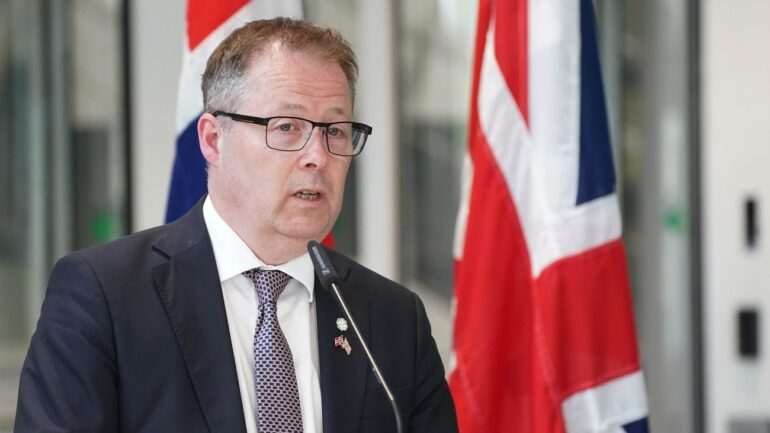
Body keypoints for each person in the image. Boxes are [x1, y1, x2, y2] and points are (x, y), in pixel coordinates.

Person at [14, 17, 457, 433]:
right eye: (287, 127)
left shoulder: (392, 318)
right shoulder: (105, 297)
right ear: (213, 140)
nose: (318, 157)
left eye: (335, 131)